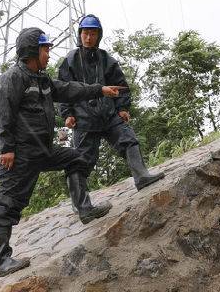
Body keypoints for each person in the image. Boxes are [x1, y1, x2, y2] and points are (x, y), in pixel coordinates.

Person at [0, 27, 125, 277]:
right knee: (7, 204)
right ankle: (3, 261)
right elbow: (3, 114)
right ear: (32, 51)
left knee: (77, 158)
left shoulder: (42, 80)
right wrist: (6, 148)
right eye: (45, 49)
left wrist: (100, 89)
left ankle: (84, 209)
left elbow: (69, 89)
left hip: (43, 150)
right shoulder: (13, 77)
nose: (49, 54)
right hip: (19, 155)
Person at [58, 14, 165, 192]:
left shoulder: (106, 59)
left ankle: (142, 176)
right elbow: (63, 90)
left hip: (108, 115)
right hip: (84, 120)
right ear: (80, 34)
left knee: (129, 139)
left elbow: (121, 85)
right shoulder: (70, 60)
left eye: (93, 34)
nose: (88, 37)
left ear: (98, 36)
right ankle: (80, 203)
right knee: (81, 161)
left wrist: (122, 108)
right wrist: (67, 114)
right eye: (85, 33)